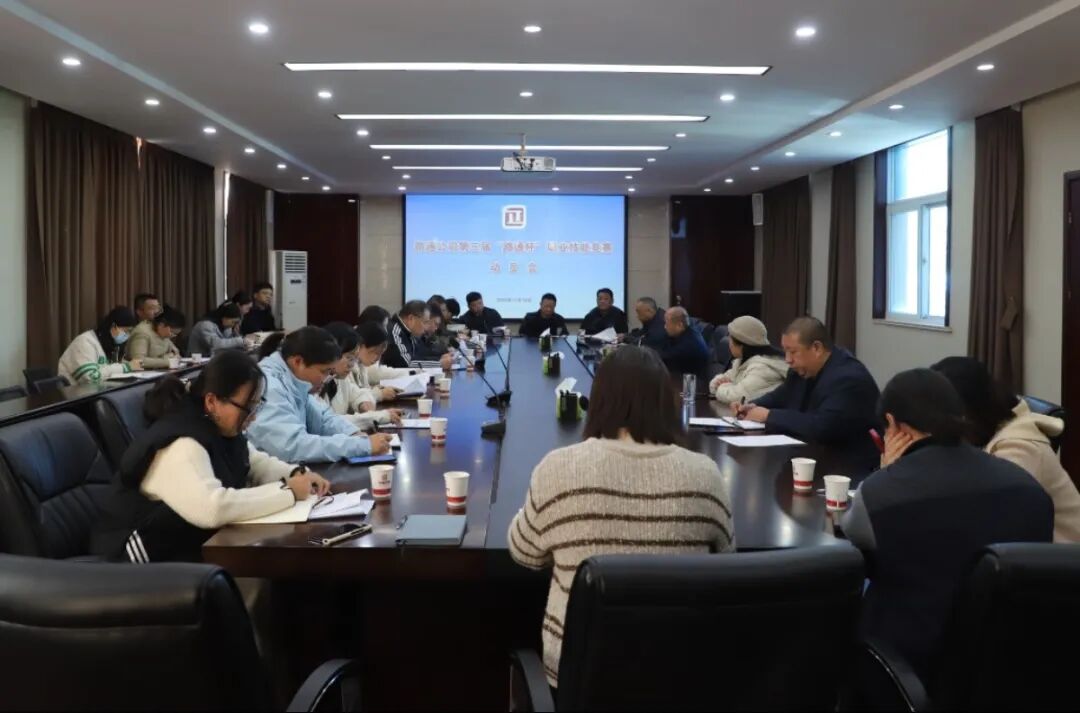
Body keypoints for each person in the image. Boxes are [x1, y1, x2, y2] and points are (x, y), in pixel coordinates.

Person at [508, 345, 734, 690]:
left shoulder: (557, 468)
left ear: (598, 400)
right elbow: (727, 561)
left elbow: (525, 553)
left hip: (579, 675)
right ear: (665, 401)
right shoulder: (706, 474)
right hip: (681, 673)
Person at [841, 368, 1052, 684]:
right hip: (1012, 666)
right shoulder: (1028, 487)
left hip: (910, 666)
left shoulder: (878, 495)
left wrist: (887, 475)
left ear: (893, 424)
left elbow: (853, 546)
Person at [90, 350, 330, 563]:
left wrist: (295, 473)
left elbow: (252, 461)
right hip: (138, 561)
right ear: (212, 401)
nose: (253, 416)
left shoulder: (217, 426)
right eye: (248, 407)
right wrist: (287, 492)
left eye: (257, 406)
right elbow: (212, 508)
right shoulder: (181, 443)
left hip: (188, 545)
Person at [932, 356, 1080, 542]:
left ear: (965, 414)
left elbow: (989, 518)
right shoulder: (986, 432)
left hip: (1061, 555)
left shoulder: (1020, 449)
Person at [735, 317, 881, 465]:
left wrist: (768, 415)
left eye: (793, 352)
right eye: (785, 352)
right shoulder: (802, 369)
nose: (788, 360)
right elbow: (781, 395)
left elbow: (822, 427)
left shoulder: (848, 379)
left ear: (816, 348)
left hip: (850, 464)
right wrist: (751, 405)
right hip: (812, 455)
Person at [247, 326, 392, 463]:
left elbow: (323, 418)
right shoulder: (269, 386)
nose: (326, 379)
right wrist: (359, 446)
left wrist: (354, 435)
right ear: (298, 361)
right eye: (324, 371)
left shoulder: (294, 380)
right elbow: (293, 446)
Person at [318, 322, 403, 428]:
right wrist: (375, 416)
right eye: (349, 358)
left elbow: (357, 393)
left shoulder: (338, 378)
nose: (352, 365)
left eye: (354, 359)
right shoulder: (316, 384)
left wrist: (363, 402)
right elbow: (328, 422)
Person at [707, 316, 788, 404]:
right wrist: (721, 385)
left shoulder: (762, 368)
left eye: (730, 339)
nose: (729, 344)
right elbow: (716, 383)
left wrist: (722, 386)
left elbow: (737, 397)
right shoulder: (742, 361)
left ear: (741, 345)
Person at [57, 306, 143, 385]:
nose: (127, 335)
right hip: (75, 393)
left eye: (130, 332)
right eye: (126, 331)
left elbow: (109, 367)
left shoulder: (111, 343)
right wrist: (125, 367)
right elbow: (90, 378)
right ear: (113, 326)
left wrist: (130, 365)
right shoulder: (85, 342)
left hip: (100, 390)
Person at [385, 301, 453, 370]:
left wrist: (439, 358)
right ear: (411, 319)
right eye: (425, 322)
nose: (425, 327)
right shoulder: (395, 331)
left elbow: (419, 355)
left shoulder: (408, 332)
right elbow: (407, 363)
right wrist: (439, 364)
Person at [658, 306, 709, 378]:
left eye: (667, 323)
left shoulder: (690, 344)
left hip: (691, 381)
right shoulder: (684, 332)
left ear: (679, 325)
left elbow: (664, 358)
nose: (665, 327)